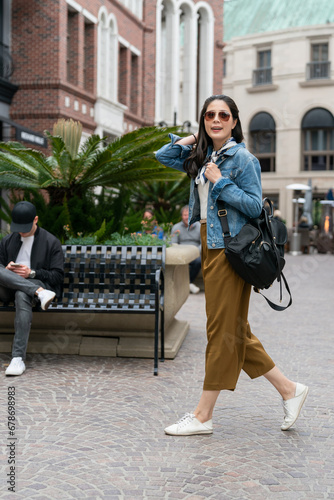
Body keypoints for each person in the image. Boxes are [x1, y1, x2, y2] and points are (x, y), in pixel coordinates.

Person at [156, 94, 308, 436]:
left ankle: (202, 414)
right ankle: (289, 390)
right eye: (210, 115)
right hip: (212, 246)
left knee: (221, 331)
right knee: (234, 329)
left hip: (232, 250)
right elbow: (163, 156)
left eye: (223, 115)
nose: (216, 119)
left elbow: (255, 206)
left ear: (234, 121)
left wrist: (220, 182)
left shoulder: (242, 158)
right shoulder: (205, 155)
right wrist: (196, 137)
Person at [0, 201, 64, 376]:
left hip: (33, 286)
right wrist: (7, 272)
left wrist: (32, 273)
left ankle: (17, 359)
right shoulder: (7, 241)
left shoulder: (51, 242)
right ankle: (40, 294)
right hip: (7, 288)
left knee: (22, 294)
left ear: (36, 219)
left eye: (25, 227)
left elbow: (57, 276)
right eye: (18, 227)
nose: (21, 231)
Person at [171, 205, 201, 294]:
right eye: (185, 215)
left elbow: (203, 244)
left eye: (189, 214)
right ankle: (189, 284)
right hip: (181, 253)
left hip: (195, 253)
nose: (187, 217)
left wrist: (195, 253)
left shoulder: (200, 227)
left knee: (198, 261)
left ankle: (187, 283)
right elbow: (173, 243)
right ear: (181, 216)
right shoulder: (176, 228)